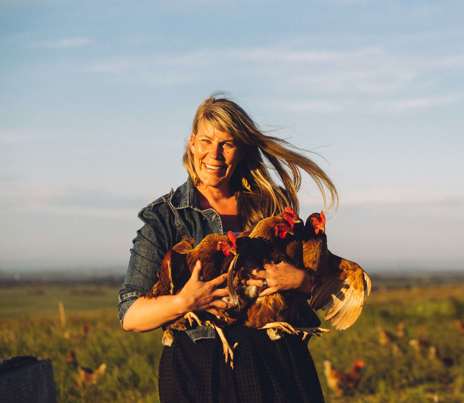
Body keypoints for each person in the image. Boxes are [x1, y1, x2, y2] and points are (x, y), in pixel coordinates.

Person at [118, 94, 338, 403]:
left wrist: (299, 281)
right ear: (192, 143)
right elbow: (130, 315)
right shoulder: (166, 219)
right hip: (199, 370)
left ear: (242, 149)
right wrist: (185, 301)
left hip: (276, 362)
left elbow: (326, 291)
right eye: (207, 141)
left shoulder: (271, 207)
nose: (215, 155)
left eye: (227, 143)